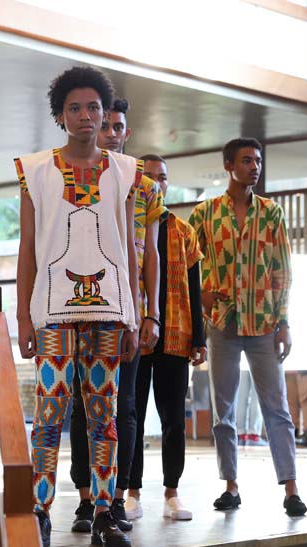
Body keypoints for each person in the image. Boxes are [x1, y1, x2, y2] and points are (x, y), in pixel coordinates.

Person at [15, 67, 146, 547]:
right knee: (48, 415)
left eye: (94, 107)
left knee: (104, 418)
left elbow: (130, 251)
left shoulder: (126, 171)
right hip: (51, 310)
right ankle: (40, 513)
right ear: (59, 115)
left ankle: (105, 513)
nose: (86, 116)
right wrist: (23, 316)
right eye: (75, 108)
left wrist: (132, 314)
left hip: (110, 311)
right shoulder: (35, 171)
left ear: (106, 113)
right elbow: (27, 248)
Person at [188, 137, 307, 517]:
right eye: (246, 160)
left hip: (265, 322)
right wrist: (200, 294)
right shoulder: (204, 214)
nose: (254, 166)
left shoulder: (272, 213)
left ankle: (291, 489)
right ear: (228, 165)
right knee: (224, 410)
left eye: (257, 160)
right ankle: (231, 486)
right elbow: (188, 262)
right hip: (222, 322)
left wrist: (285, 322)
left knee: (278, 409)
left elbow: (283, 270)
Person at [65, 97, 163, 535]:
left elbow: (151, 255)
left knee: (123, 409)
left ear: (125, 131)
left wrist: (149, 313)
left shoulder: (143, 185)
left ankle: (116, 498)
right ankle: (85, 497)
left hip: (127, 310)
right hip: (76, 306)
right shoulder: (74, 175)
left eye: (119, 127)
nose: (111, 133)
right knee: (78, 407)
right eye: (107, 126)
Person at [120, 154, 205, 522]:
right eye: (150, 176)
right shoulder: (128, 224)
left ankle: (172, 493)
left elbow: (196, 288)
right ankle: (131, 492)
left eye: (163, 178)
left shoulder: (185, 232)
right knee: (132, 413)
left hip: (176, 335)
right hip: (137, 333)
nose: (158, 183)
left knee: (173, 418)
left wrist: (200, 339)